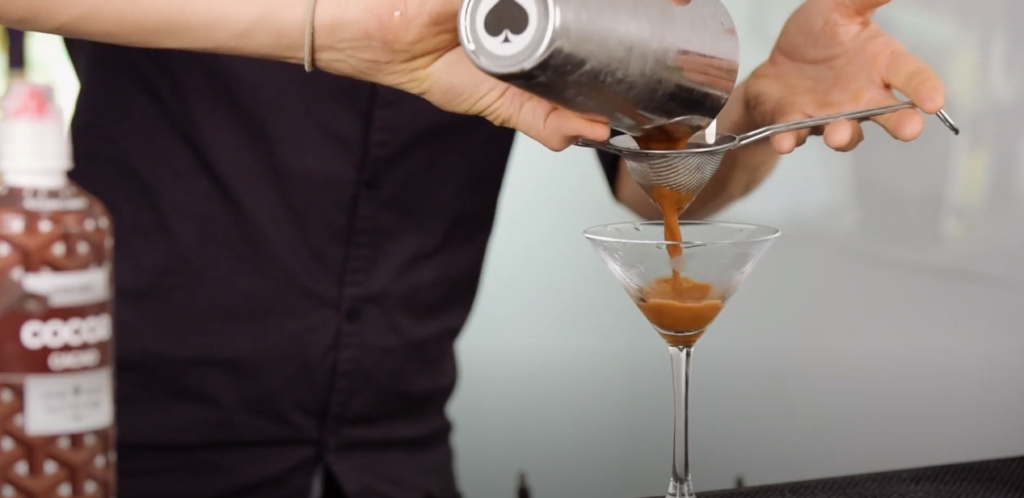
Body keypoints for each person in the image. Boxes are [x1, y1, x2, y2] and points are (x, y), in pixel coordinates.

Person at [0, 0, 946, 496]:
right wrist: (343, 29)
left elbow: (657, 172)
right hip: (143, 443)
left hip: (399, 456)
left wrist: (746, 111)